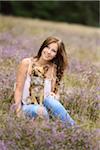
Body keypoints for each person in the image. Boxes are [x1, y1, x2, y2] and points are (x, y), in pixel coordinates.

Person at [12, 36, 75, 127]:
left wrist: (55, 96)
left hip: (46, 104)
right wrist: (18, 111)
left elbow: (55, 93)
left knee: (51, 101)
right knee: (42, 111)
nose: (49, 52)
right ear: (43, 47)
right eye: (47, 47)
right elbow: (18, 89)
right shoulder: (26, 63)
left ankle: (73, 128)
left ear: (56, 55)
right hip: (28, 105)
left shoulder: (53, 69)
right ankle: (50, 129)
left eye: (53, 51)